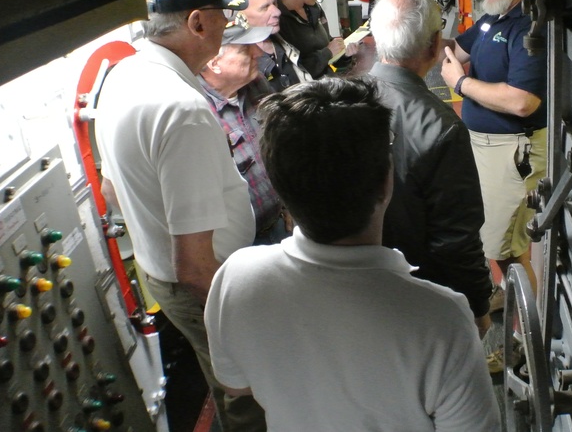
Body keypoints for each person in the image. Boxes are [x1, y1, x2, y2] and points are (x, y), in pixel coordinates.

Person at [204, 78, 502, 432]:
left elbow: (236, 384)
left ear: (278, 184)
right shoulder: (442, 318)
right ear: (386, 182)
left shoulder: (234, 278)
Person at [94, 0, 265, 431]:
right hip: (201, 282)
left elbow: (110, 190)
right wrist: (245, 321)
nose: (228, 27)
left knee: (222, 379)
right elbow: (194, 264)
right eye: (222, 17)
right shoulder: (182, 108)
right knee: (248, 394)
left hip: (163, 277)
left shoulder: (123, 77)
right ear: (196, 22)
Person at [368, 0, 492, 339]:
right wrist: (478, 305)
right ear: (436, 45)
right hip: (420, 297)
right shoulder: (442, 127)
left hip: (355, 288)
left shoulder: (342, 100)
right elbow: (455, 237)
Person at [440, 0, 547, 310]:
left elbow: (522, 102)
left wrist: (462, 84)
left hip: (511, 153)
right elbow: (455, 47)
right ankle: (510, 299)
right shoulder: (493, 19)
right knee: (497, 240)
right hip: (483, 148)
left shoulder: (527, 26)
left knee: (507, 250)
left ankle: (527, 343)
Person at [198, 16, 290, 245]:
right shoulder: (199, 112)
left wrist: (290, 203)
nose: (258, 53)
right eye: (245, 50)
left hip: (281, 220)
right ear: (214, 62)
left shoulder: (255, 83)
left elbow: (281, 144)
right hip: (242, 243)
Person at [230, 0, 306, 90]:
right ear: (240, 14)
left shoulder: (286, 39)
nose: (277, 12)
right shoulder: (238, 64)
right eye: (265, 7)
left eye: (274, 3)